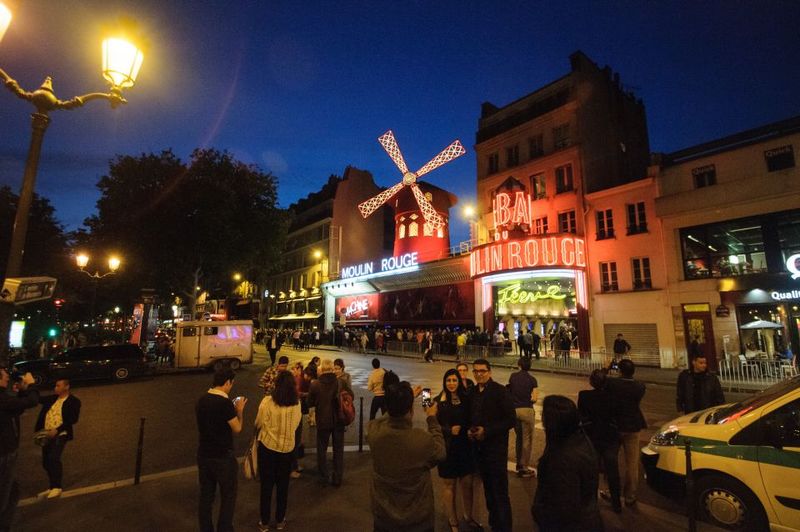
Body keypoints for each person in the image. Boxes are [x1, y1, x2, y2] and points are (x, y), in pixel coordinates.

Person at [367, 381, 445, 532]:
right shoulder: (421, 440)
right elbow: (440, 452)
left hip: (383, 517)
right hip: (417, 519)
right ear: (411, 410)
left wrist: (401, 401)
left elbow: (379, 421)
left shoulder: (374, 432)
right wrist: (431, 418)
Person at [532, 395, 602, 531]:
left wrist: (539, 513)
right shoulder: (579, 439)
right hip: (588, 518)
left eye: (543, 415)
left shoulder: (562, 459)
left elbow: (564, 508)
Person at [196, 367, 247, 532]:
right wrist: (239, 411)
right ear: (227, 382)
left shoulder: (201, 400)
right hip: (223, 457)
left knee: (206, 496)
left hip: (204, 455)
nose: (231, 386)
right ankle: (224, 528)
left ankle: (206, 528)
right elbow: (237, 428)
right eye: (232, 383)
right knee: (228, 496)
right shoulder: (225, 404)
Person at [469, 359, 516, 532]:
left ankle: (504, 528)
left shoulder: (499, 391)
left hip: (495, 451)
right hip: (479, 451)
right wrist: (470, 429)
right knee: (489, 491)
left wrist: (486, 431)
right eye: (476, 371)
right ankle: (495, 524)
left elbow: (511, 420)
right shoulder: (472, 392)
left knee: (500, 493)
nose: (479, 374)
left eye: (482, 371)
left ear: (489, 372)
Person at [254, 371, 302, 531]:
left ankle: (264, 522)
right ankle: (280, 520)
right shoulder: (297, 404)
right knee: (283, 486)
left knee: (266, 486)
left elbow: (259, 423)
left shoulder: (267, 401)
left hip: (268, 448)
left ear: (277, 384)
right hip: (287, 449)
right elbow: (295, 425)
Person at [435, 369, 480, 532]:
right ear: (444, 382)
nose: (451, 384)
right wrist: (448, 431)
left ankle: (468, 516)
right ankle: (453, 521)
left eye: (454, 380)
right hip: (448, 448)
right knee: (449, 485)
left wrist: (470, 429)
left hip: (465, 447)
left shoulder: (466, 399)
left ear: (459, 382)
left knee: (467, 483)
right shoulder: (438, 401)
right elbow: (432, 425)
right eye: (448, 381)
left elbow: (473, 418)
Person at [578, 369, 622, 513]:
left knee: (592, 470)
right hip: (610, 436)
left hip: (593, 437)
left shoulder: (584, 396)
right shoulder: (613, 397)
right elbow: (617, 416)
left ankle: (591, 502)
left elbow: (581, 416)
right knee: (612, 470)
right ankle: (616, 503)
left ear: (591, 381)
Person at [0, 368, 38, 531]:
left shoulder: (4, 398)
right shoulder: (1, 398)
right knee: (5, 493)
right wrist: (31, 385)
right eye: (4, 374)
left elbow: (17, 408)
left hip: (6, 451)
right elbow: (32, 402)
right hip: (4, 452)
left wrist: (22, 393)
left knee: (12, 490)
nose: (8, 376)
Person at [606, 359, 646, 507]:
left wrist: (606, 367)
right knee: (632, 463)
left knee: (611, 461)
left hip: (615, 425)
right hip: (633, 426)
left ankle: (612, 492)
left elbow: (600, 381)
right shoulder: (640, 387)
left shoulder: (612, 384)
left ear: (619, 370)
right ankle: (630, 495)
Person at [308, 359, 353, 487]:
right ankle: (337, 477)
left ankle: (323, 476)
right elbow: (350, 396)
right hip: (338, 420)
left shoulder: (315, 384)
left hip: (323, 420)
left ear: (321, 370)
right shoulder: (340, 382)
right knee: (338, 449)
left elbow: (309, 403)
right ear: (332, 369)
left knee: (321, 449)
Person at [34, 378, 81, 499]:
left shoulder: (74, 401)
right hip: (46, 434)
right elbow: (37, 399)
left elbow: (73, 419)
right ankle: (51, 486)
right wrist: (24, 390)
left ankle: (57, 487)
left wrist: (58, 430)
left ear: (66, 387)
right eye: (55, 385)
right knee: (46, 462)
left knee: (53, 458)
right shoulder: (52, 398)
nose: (55, 388)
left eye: (58, 385)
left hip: (61, 434)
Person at [508, 357, 538, 477]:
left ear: (519, 364)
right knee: (527, 440)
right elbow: (534, 398)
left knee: (519, 437)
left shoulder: (513, 376)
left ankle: (518, 463)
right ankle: (524, 467)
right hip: (526, 410)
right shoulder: (532, 379)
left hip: (514, 410)